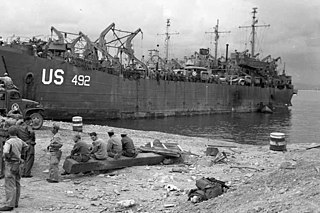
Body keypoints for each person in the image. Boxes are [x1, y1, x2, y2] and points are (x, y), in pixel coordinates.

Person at [0, 126, 28, 211]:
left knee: (9, 184)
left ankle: (9, 204)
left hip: (10, 163)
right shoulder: (20, 141)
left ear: (9, 132)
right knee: (17, 183)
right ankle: (15, 202)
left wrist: (7, 157)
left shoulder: (9, 142)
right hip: (18, 163)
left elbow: (5, 152)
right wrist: (21, 155)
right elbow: (26, 147)